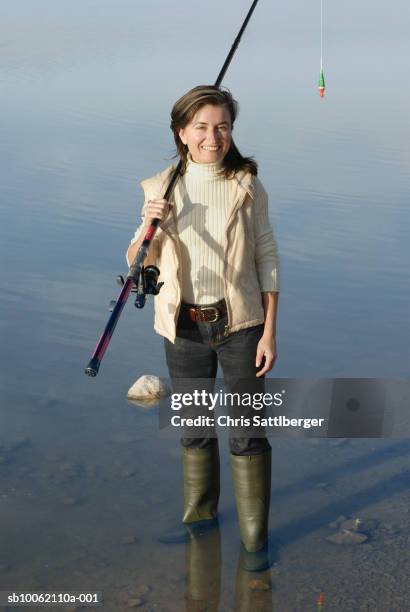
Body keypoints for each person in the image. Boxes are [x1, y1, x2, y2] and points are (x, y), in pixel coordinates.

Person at [126, 85, 280, 570]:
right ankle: (200, 525)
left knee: (248, 433)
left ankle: (255, 545)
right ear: (182, 133)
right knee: (194, 430)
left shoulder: (247, 183)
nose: (214, 136)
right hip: (184, 328)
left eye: (223, 126)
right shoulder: (159, 187)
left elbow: (267, 257)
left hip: (242, 325)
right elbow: (136, 261)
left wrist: (270, 331)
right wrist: (151, 228)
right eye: (203, 127)